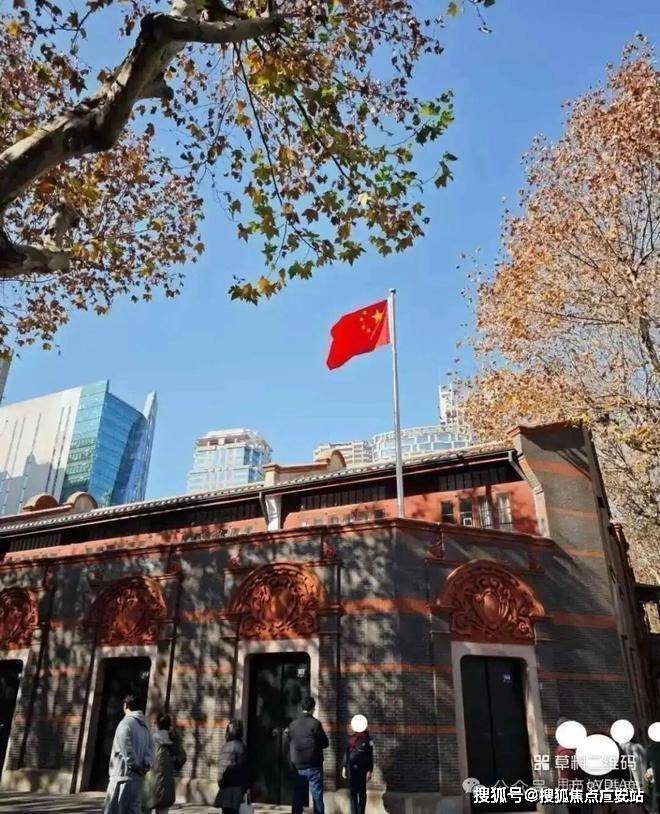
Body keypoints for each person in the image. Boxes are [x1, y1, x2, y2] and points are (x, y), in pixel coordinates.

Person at [103, 694, 154, 814]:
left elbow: (127, 750)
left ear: (126, 706)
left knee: (115, 809)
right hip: (138, 778)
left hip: (122, 777)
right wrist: (146, 764)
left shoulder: (125, 724)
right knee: (133, 809)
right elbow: (151, 748)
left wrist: (135, 766)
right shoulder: (146, 727)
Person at [286, 696, 329, 814]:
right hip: (314, 766)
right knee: (317, 797)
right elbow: (325, 743)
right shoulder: (315, 724)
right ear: (313, 709)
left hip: (298, 766)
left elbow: (289, 742)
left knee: (298, 797)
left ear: (301, 708)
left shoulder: (293, 724)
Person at [142, 712, 187, 814]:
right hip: (166, 787)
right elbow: (182, 758)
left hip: (149, 786)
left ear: (157, 724)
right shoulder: (173, 742)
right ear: (169, 726)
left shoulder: (150, 740)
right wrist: (173, 763)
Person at [214, 719, 249, 814]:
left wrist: (221, 784)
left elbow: (221, 771)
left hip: (225, 789)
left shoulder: (224, 747)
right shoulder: (241, 746)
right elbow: (244, 769)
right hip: (236, 790)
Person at [342, 715, 373, 814]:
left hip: (361, 770)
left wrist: (369, 770)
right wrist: (344, 767)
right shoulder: (351, 739)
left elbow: (370, 756)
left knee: (361, 793)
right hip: (352, 769)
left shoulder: (367, 740)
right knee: (354, 793)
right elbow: (347, 753)